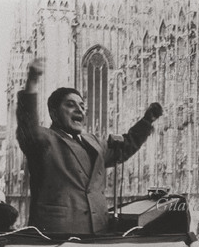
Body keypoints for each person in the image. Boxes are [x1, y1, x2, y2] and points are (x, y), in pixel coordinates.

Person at [16, 58, 162, 234]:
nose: (79, 109)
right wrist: (31, 83)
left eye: (82, 106)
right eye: (70, 105)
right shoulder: (45, 139)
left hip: (97, 230)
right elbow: (27, 126)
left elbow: (124, 148)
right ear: (53, 113)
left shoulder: (93, 141)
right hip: (58, 234)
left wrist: (147, 121)